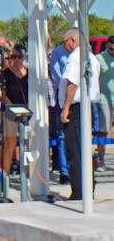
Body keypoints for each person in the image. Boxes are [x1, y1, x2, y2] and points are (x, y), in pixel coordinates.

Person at [59, 29, 100, 200]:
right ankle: (87, 188)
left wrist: (66, 108)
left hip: (76, 108)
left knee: (74, 151)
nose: (64, 46)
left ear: (73, 40)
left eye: (64, 42)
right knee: (84, 149)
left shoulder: (75, 58)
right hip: (89, 106)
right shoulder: (92, 58)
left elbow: (72, 84)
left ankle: (79, 191)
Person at [50, 31, 74, 184]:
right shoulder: (57, 53)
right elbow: (55, 73)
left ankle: (78, 170)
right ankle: (64, 172)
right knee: (61, 136)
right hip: (63, 96)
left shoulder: (82, 53)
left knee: (79, 136)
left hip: (79, 99)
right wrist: (66, 84)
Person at [0, 43, 28, 175]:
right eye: (14, 57)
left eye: (20, 57)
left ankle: (28, 173)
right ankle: (5, 172)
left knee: (28, 143)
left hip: (27, 111)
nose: (17, 60)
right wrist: (10, 105)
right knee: (10, 142)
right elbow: (1, 92)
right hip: (11, 111)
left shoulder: (29, 72)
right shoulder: (5, 73)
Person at [95, 35, 114, 169]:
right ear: (107, 45)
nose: (113, 51)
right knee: (103, 130)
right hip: (103, 100)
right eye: (111, 49)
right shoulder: (98, 59)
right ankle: (101, 160)